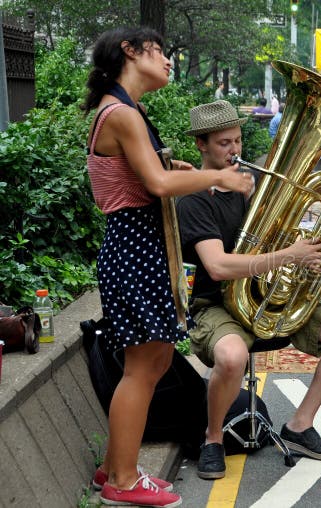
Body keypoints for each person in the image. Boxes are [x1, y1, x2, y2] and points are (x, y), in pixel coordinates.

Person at [83, 27, 254, 508]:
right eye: (159, 51)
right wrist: (217, 175)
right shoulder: (121, 113)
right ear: (130, 53)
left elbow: (150, 174)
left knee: (153, 362)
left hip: (141, 250)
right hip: (134, 250)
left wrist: (182, 168)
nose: (168, 60)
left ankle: (119, 465)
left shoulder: (127, 111)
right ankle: (121, 479)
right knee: (142, 367)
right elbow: (156, 184)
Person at [176, 101, 321, 479]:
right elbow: (217, 265)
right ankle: (213, 438)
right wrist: (289, 255)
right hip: (216, 302)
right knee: (232, 357)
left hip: (264, 296)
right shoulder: (194, 199)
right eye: (222, 144)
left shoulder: (250, 180)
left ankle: (299, 424)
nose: (234, 151)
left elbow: (313, 171)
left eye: (237, 142)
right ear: (200, 145)